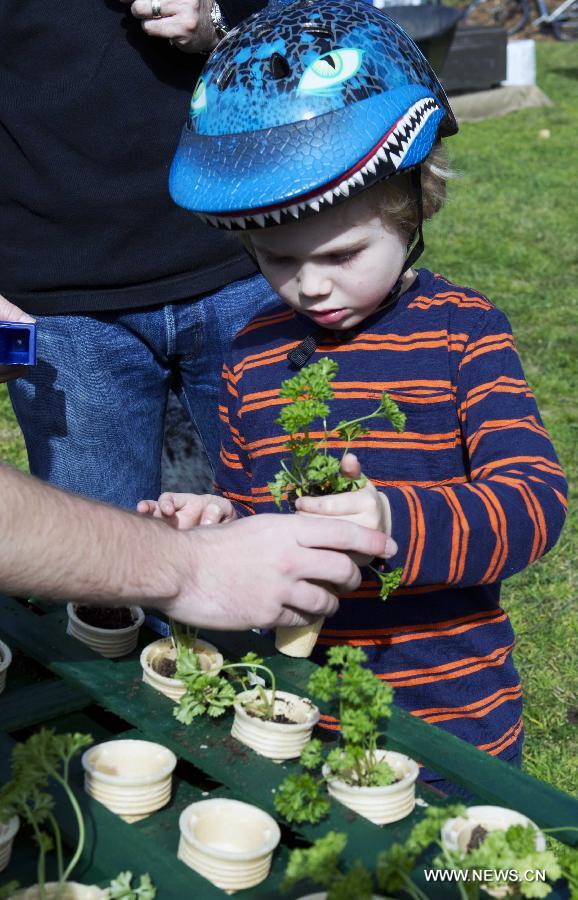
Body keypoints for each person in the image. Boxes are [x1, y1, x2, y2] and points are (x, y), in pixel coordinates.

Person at [145, 0, 568, 784]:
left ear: (411, 207)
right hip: (298, 713)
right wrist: (219, 518)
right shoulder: (255, 350)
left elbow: (535, 504)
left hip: (451, 722)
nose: (307, 286)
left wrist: (394, 523)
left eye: (342, 254)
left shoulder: (462, 332)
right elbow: (258, 511)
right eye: (273, 259)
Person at [1, 0, 270, 510]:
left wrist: (220, 15)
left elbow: (315, 19)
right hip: (57, 309)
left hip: (252, 254)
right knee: (97, 572)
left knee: (308, 534)